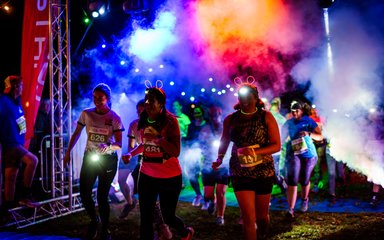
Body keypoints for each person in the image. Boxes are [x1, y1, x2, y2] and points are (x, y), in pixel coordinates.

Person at [122, 86, 194, 240]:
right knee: (146, 217)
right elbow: (145, 144)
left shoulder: (170, 121)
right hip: (147, 175)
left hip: (170, 176)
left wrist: (160, 140)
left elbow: (176, 151)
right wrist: (130, 153)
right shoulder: (143, 120)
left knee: (168, 217)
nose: (147, 103)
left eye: (152, 101)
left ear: (161, 104)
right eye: (146, 100)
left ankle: (185, 231)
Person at [212, 83, 281, 240]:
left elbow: (276, 145)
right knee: (249, 217)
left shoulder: (266, 117)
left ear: (256, 99)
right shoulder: (231, 119)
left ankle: (263, 232)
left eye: (248, 98)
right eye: (241, 97)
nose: (245, 101)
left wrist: (256, 151)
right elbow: (224, 140)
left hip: (263, 171)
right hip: (240, 171)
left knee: (262, 216)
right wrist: (219, 158)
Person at [64, 83, 124, 240]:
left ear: (108, 98)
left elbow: (119, 145)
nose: (97, 101)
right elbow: (76, 133)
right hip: (90, 157)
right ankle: (94, 219)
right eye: (95, 97)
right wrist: (68, 152)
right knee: (84, 193)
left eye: (101, 98)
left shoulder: (114, 118)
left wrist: (108, 147)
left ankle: (105, 229)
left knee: (102, 196)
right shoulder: (86, 114)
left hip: (108, 161)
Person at [0, 76, 39, 219]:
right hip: (9, 143)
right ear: (14, 87)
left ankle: (7, 210)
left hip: (17, 142)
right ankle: (25, 195)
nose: (22, 87)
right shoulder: (3, 100)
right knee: (33, 161)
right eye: (20, 85)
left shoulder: (18, 103)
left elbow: (21, 123)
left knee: (10, 177)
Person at [281, 101, 323, 218]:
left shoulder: (308, 121)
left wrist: (309, 134)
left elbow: (320, 136)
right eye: (292, 111)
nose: (294, 113)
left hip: (309, 155)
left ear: (302, 111)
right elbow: (281, 137)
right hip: (294, 153)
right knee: (293, 180)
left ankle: (305, 200)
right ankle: (290, 209)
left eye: (297, 111)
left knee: (304, 180)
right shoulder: (288, 123)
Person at [199, 105, 229, 225]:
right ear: (210, 117)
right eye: (213, 115)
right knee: (208, 194)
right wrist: (205, 146)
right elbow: (200, 144)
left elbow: (231, 141)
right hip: (208, 166)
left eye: (217, 114)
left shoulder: (226, 128)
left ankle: (220, 216)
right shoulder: (205, 128)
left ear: (220, 115)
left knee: (221, 192)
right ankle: (211, 201)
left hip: (223, 165)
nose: (215, 117)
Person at [118, 99, 145, 218]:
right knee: (121, 180)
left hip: (146, 157)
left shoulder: (155, 125)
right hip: (135, 154)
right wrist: (130, 155)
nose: (139, 113)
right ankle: (130, 202)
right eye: (137, 111)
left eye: (142, 111)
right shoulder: (134, 124)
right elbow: (131, 144)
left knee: (143, 186)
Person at [185, 105, 206, 207]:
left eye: (198, 112)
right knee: (192, 174)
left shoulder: (207, 125)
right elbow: (189, 138)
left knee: (206, 175)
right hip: (193, 152)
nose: (196, 115)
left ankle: (208, 196)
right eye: (195, 113)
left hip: (206, 154)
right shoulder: (191, 125)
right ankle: (198, 194)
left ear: (202, 113)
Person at [269, 97, 288, 194]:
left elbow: (285, 134)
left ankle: (283, 186)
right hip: (266, 150)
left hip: (276, 150)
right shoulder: (265, 116)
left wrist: (282, 143)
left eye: (275, 108)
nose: (273, 110)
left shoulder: (282, 119)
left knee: (276, 173)